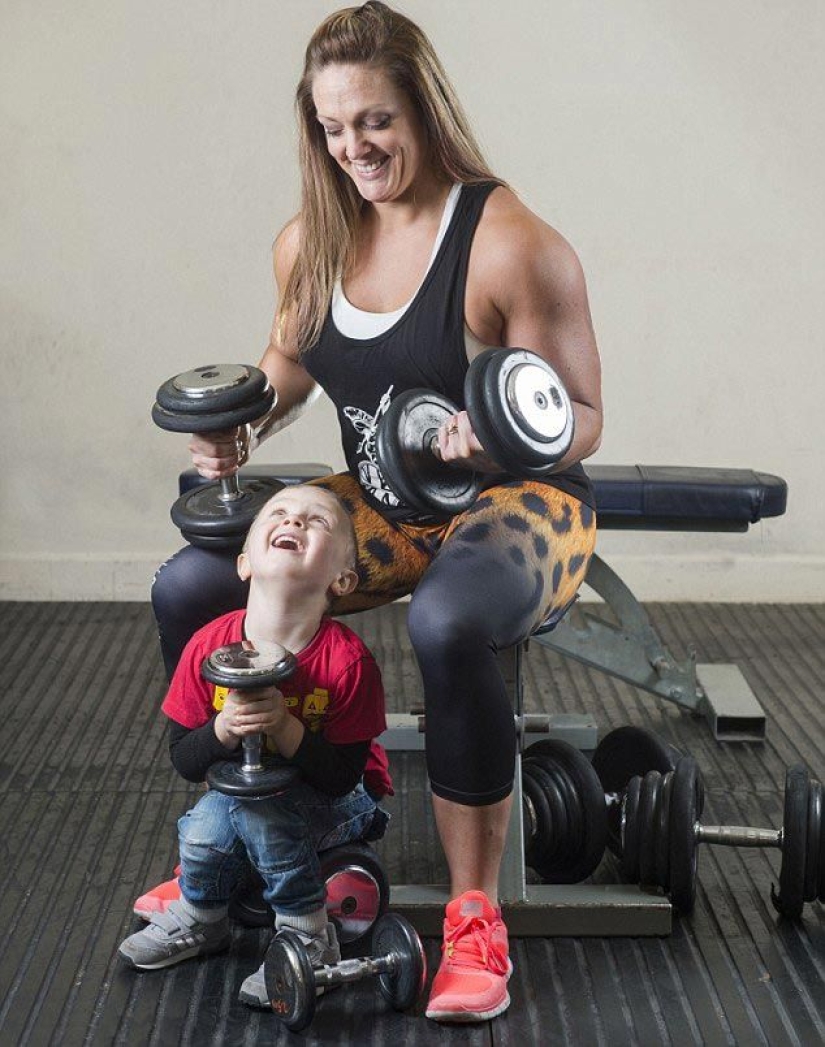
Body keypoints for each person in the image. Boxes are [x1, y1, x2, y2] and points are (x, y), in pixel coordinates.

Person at [151, 1, 602, 1023]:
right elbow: (284, 370)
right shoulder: (310, 242)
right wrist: (239, 433)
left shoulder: (510, 245)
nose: (355, 145)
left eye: (377, 121)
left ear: (424, 111)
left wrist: (506, 439)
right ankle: (237, 842)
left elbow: (581, 418)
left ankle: (475, 915)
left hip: (523, 500)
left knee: (448, 621)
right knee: (194, 582)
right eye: (333, 126)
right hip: (386, 504)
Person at [121, 484, 392, 1011]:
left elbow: (343, 776)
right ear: (245, 562)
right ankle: (203, 918)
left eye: (317, 522)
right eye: (281, 514)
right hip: (250, 793)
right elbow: (184, 759)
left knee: (262, 818)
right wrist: (223, 730)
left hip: (342, 797)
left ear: (343, 579)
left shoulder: (348, 663)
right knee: (202, 831)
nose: (295, 521)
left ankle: (308, 938)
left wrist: (287, 729)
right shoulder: (207, 648)